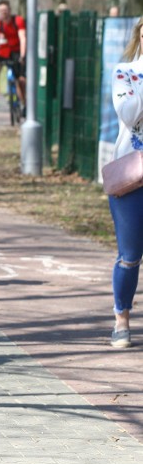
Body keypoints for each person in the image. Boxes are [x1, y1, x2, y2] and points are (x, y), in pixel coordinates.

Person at [106, 19, 143, 348]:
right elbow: (128, 114)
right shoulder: (125, 73)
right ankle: (121, 317)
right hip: (133, 174)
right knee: (130, 254)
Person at [0, 0, 26, 112]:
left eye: (5, 10)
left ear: (9, 10)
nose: (3, 13)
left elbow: (23, 38)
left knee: (20, 80)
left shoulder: (18, 21)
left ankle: (24, 104)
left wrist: (23, 55)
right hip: (4, 53)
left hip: (17, 52)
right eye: (1, 10)